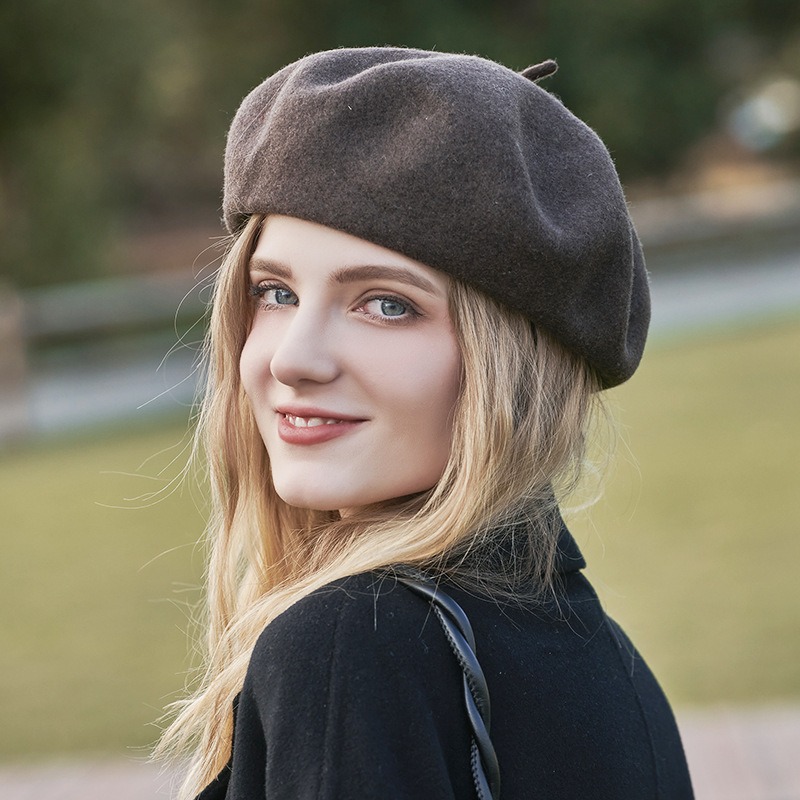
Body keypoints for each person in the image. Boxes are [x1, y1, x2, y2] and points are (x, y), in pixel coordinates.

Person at [157, 47, 694, 799]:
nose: (293, 360)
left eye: (386, 304)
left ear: (512, 368)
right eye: (274, 292)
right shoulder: (611, 665)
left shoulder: (354, 647)